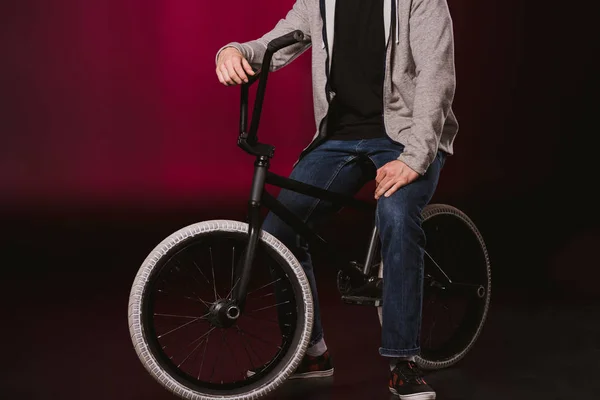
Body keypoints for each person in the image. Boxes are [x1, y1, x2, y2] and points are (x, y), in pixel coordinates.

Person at [215, 0, 458, 398]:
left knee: (395, 215)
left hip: (407, 135)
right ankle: (309, 351)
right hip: (338, 139)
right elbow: (273, 44)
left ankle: (404, 361)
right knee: (280, 232)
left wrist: (414, 158)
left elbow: (437, 76)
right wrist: (234, 51)